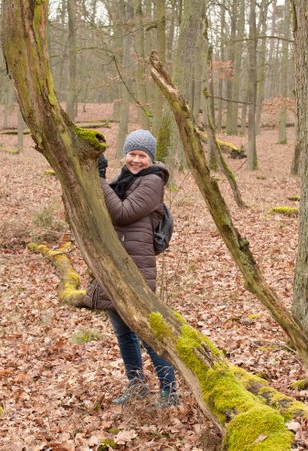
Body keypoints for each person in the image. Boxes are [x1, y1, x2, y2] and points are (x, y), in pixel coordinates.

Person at [84, 129, 179, 408]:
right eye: (131, 154)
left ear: (151, 158)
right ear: (125, 154)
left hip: (134, 268)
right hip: (116, 263)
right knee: (123, 332)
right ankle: (136, 385)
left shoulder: (152, 182)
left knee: (147, 332)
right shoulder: (127, 179)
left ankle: (169, 391)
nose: (136, 160)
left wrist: (99, 180)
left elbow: (122, 213)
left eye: (142, 155)